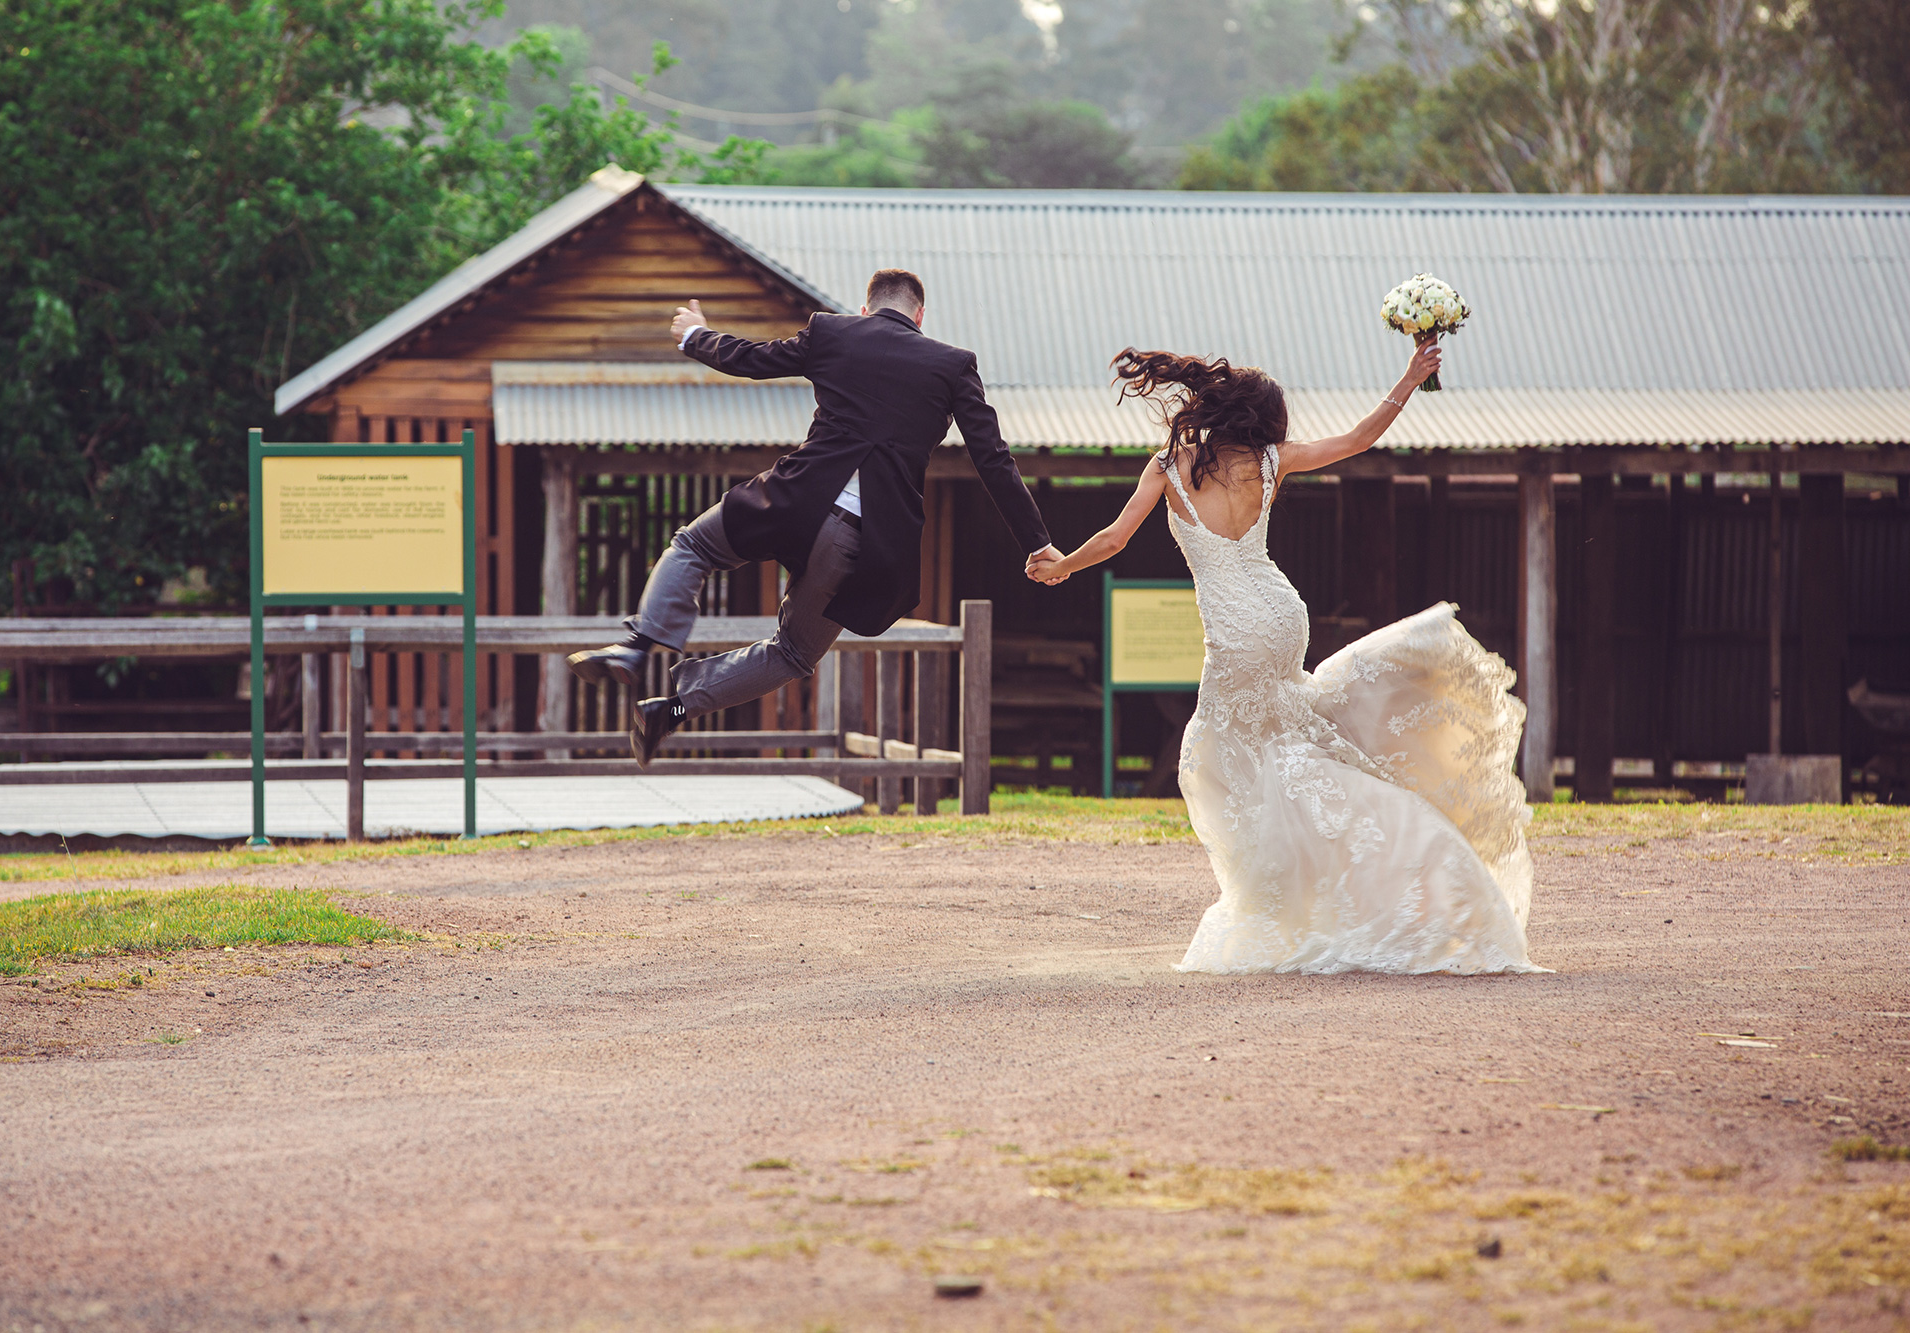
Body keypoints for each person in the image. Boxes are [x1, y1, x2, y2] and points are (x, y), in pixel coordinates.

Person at [1026, 342, 1547, 975]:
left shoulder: (1168, 466)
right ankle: (1327, 875)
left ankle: (1284, 899)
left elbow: (1113, 538)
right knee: (1277, 748)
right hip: (1281, 611)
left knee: (1227, 760)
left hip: (1238, 631)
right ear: (1262, 421)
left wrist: (1063, 568)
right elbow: (1359, 438)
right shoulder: (1273, 461)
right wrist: (1408, 378)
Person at [569, 269, 1062, 765]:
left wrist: (698, 335)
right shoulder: (952, 365)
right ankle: (672, 710)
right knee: (793, 654)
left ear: (865, 308)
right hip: (861, 539)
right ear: (920, 315)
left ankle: (637, 646)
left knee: (693, 547)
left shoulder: (833, 332)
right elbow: (993, 459)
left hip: (791, 501)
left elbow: (753, 359)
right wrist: (1036, 542)